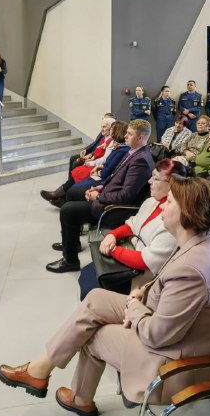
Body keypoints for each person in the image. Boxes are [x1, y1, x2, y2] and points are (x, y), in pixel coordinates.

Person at [0, 177, 210, 409]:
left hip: (177, 360)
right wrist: (141, 292)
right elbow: (166, 281)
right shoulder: (200, 241)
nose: (163, 205)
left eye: (170, 202)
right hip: (172, 326)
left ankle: (77, 397)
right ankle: (40, 370)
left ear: (187, 213)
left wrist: (133, 307)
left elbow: (157, 335)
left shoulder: (191, 271)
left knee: (93, 335)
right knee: (96, 299)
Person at [47, 120, 154, 273]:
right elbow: (114, 177)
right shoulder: (134, 151)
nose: (125, 136)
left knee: (67, 210)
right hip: (108, 195)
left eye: (129, 134)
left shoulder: (141, 160)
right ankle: (73, 243)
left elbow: (126, 196)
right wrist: (100, 187)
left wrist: (98, 197)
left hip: (115, 209)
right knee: (72, 192)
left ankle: (70, 261)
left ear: (141, 138)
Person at [78, 159, 188, 299]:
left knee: (90, 288)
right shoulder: (152, 201)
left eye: (155, 178)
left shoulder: (172, 221)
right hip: (129, 258)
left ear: (171, 184)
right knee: (87, 274)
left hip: (141, 279)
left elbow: (147, 260)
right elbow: (133, 224)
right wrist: (113, 235)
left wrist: (114, 250)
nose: (149, 181)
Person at [42, 121, 127, 207]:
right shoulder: (109, 140)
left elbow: (106, 162)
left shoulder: (117, 147)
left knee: (78, 169)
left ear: (116, 131)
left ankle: (62, 197)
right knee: (76, 165)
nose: (102, 129)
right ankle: (61, 195)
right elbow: (96, 148)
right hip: (98, 164)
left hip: (100, 170)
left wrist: (94, 166)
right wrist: (91, 156)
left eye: (108, 127)